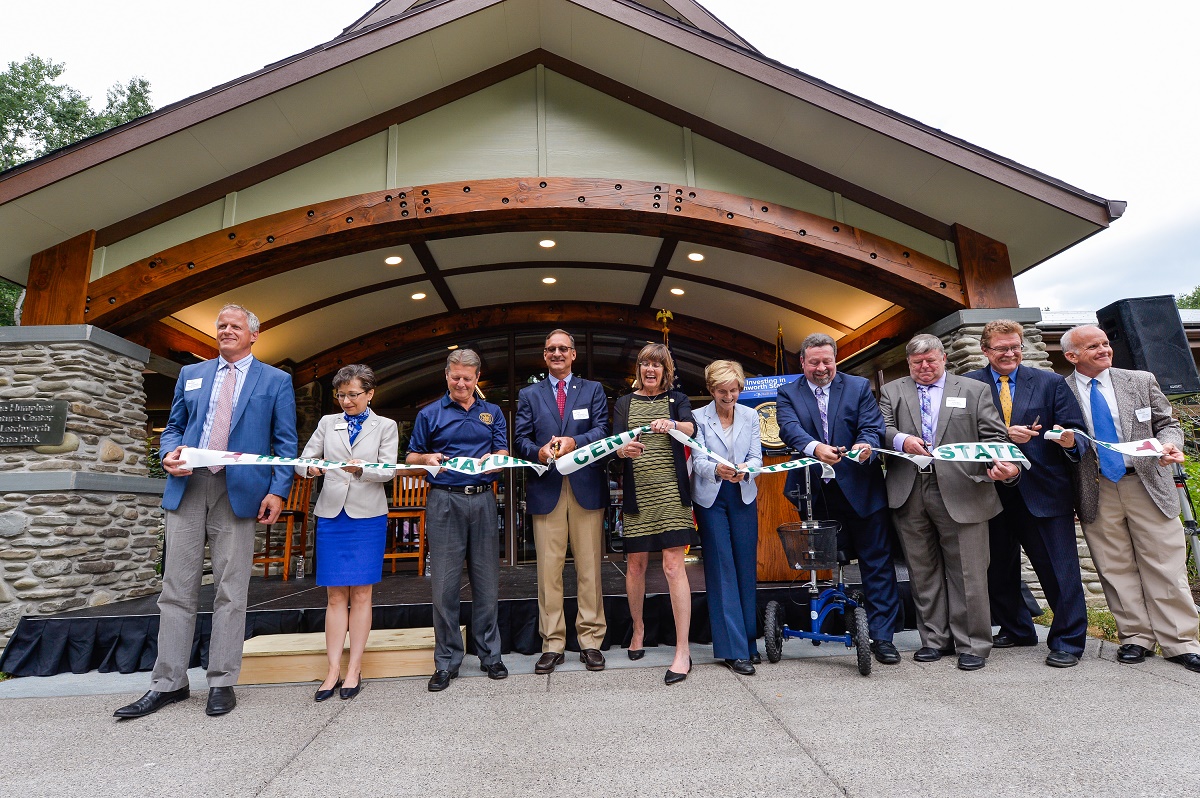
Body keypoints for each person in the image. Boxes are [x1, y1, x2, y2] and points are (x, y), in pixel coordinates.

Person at [115, 304, 297, 719]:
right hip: (189, 486)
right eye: (221, 326)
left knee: (231, 590)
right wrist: (166, 454)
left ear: (253, 335)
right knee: (175, 589)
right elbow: (174, 426)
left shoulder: (276, 380)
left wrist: (278, 491)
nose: (226, 330)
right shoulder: (190, 374)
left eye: (235, 326)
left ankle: (221, 682)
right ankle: (169, 684)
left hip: (241, 490)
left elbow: (285, 443)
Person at [1061, 324, 1200, 672]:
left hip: (1147, 482)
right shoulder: (1059, 390)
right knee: (1114, 567)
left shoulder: (1139, 380)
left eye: (1106, 343)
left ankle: (1181, 642)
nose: (1104, 350)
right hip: (1096, 488)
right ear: (1072, 355)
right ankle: (1135, 637)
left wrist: (1171, 445)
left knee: (1165, 565)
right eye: (1093, 346)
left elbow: (1167, 424)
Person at [879, 333, 1018, 671]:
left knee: (968, 571)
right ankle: (934, 640)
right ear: (908, 364)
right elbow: (879, 428)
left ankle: (973, 644)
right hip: (909, 489)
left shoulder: (974, 390)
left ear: (944, 359)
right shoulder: (891, 391)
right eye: (916, 363)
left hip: (963, 489)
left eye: (930, 361)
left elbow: (994, 436)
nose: (924, 367)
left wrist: (999, 465)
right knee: (922, 570)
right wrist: (901, 439)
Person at [965, 320, 1089, 668]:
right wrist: (1004, 434)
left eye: (1015, 346)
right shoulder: (966, 385)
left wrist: (1067, 438)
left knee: (1059, 569)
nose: (1010, 353)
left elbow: (1076, 431)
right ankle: (1017, 627)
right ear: (985, 350)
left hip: (1042, 490)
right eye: (1001, 348)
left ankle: (1067, 641)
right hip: (986, 490)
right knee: (997, 568)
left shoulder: (1050, 383)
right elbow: (956, 431)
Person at [776, 333, 903, 665]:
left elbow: (872, 427)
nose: (822, 368)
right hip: (814, 492)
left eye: (827, 361)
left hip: (862, 488)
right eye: (814, 362)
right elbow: (788, 429)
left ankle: (883, 637)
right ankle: (828, 620)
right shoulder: (788, 392)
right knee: (823, 561)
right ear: (802, 362)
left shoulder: (858, 387)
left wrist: (864, 446)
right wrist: (815, 448)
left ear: (836, 360)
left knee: (876, 562)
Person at [406, 349, 510, 691]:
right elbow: (411, 457)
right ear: (446, 376)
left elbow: (502, 450)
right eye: (455, 377)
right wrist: (426, 457)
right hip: (444, 502)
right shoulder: (429, 414)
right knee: (445, 586)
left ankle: (490, 655)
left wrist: (499, 458)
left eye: (467, 378)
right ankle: (447, 660)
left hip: (482, 499)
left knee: (487, 583)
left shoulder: (492, 413)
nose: (461, 383)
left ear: (477, 378)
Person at [296, 365, 399, 701]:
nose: (346, 401)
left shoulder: (386, 426)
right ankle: (332, 671)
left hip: (367, 516)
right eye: (341, 395)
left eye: (353, 394)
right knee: (335, 596)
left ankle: (354, 668)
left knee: (362, 595)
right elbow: (302, 460)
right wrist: (310, 468)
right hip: (331, 515)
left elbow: (388, 471)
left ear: (370, 393)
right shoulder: (327, 423)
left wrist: (362, 470)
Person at [514, 329, 610, 674]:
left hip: (585, 488)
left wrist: (574, 441)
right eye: (551, 349)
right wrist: (538, 452)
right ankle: (552, 643)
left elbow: (602, 430)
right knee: (548, 572)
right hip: (547, 488)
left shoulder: (593, 389)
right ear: (544, 356)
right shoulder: (529, 394)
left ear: (573, 355)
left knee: (589, 570)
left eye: (563, 349)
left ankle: (590, 642)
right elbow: (520, 439)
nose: (557, 353)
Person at [611, 343, 698, 684]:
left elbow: (692, 429)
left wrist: (673, 423)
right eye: (645, 364)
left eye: (657, 365)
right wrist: (623, 450)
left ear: (666, 370)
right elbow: (616, 443)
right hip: (638, 496)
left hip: (673, 496)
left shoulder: (677, 400)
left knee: (674, 565)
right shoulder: (624, 402)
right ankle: (638, 629)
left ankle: (682, 650)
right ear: (639, 369)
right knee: (636, 565)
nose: (651, 370)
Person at [690, 360, 762, 675]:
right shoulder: (697, 418)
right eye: (723, 392)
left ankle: (748, 641)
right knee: (722, 568)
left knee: (745, 566)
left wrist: (746, 470)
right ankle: (733, 650)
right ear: (711, 390)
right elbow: (698, 459)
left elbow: (757, 456)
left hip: (744, 493)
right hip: (711, 497)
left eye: (734, 391)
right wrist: (717, 470)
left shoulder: (751, 415)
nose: (729, 397)